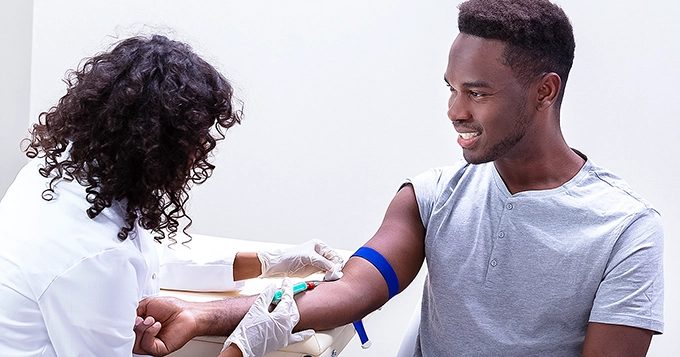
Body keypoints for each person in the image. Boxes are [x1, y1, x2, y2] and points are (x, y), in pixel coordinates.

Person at [134, 0, 664, 356]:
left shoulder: (625, 230)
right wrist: (200, 317)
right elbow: (354, 291)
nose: (455, 110)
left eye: (476, 93)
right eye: (450, 88)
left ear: (545, 92)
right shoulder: (430, 196)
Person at [0, 34, 342, 357]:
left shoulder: (62, 177)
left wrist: (270, 261)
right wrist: (244, 345)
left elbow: (148, 261)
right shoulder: (93, 256)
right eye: (196, 142)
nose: (201, 154)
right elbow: (109, 263)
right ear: (155, 145)